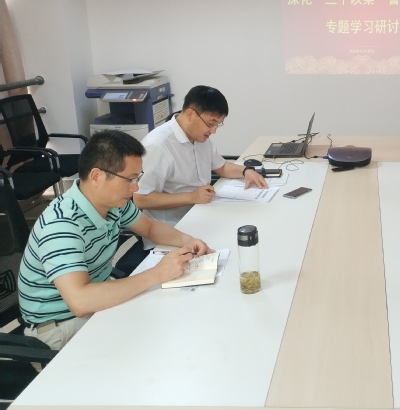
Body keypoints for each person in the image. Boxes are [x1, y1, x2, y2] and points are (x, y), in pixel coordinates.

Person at [18, 130, 212, 350]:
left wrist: (187, 240)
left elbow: (149, 227)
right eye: (130, 179)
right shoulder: (61, 224)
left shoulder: (113, 203)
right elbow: (80, 301)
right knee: (157, 343)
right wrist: (158, 273)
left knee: (173, 323)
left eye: (137, 178)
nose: (136, 187)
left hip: (97, 302)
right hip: (61, 327)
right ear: (96, 176)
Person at [134, 85, 267, 230]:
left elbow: (221, 166)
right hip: (172, 226)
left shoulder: (199, 136)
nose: (213, 131)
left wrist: (246, 171)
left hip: (203, 212)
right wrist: (191, 197)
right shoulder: (157, 146)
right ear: (190, 114)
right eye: (210, 124)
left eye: (217, 125)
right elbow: (141, 199)